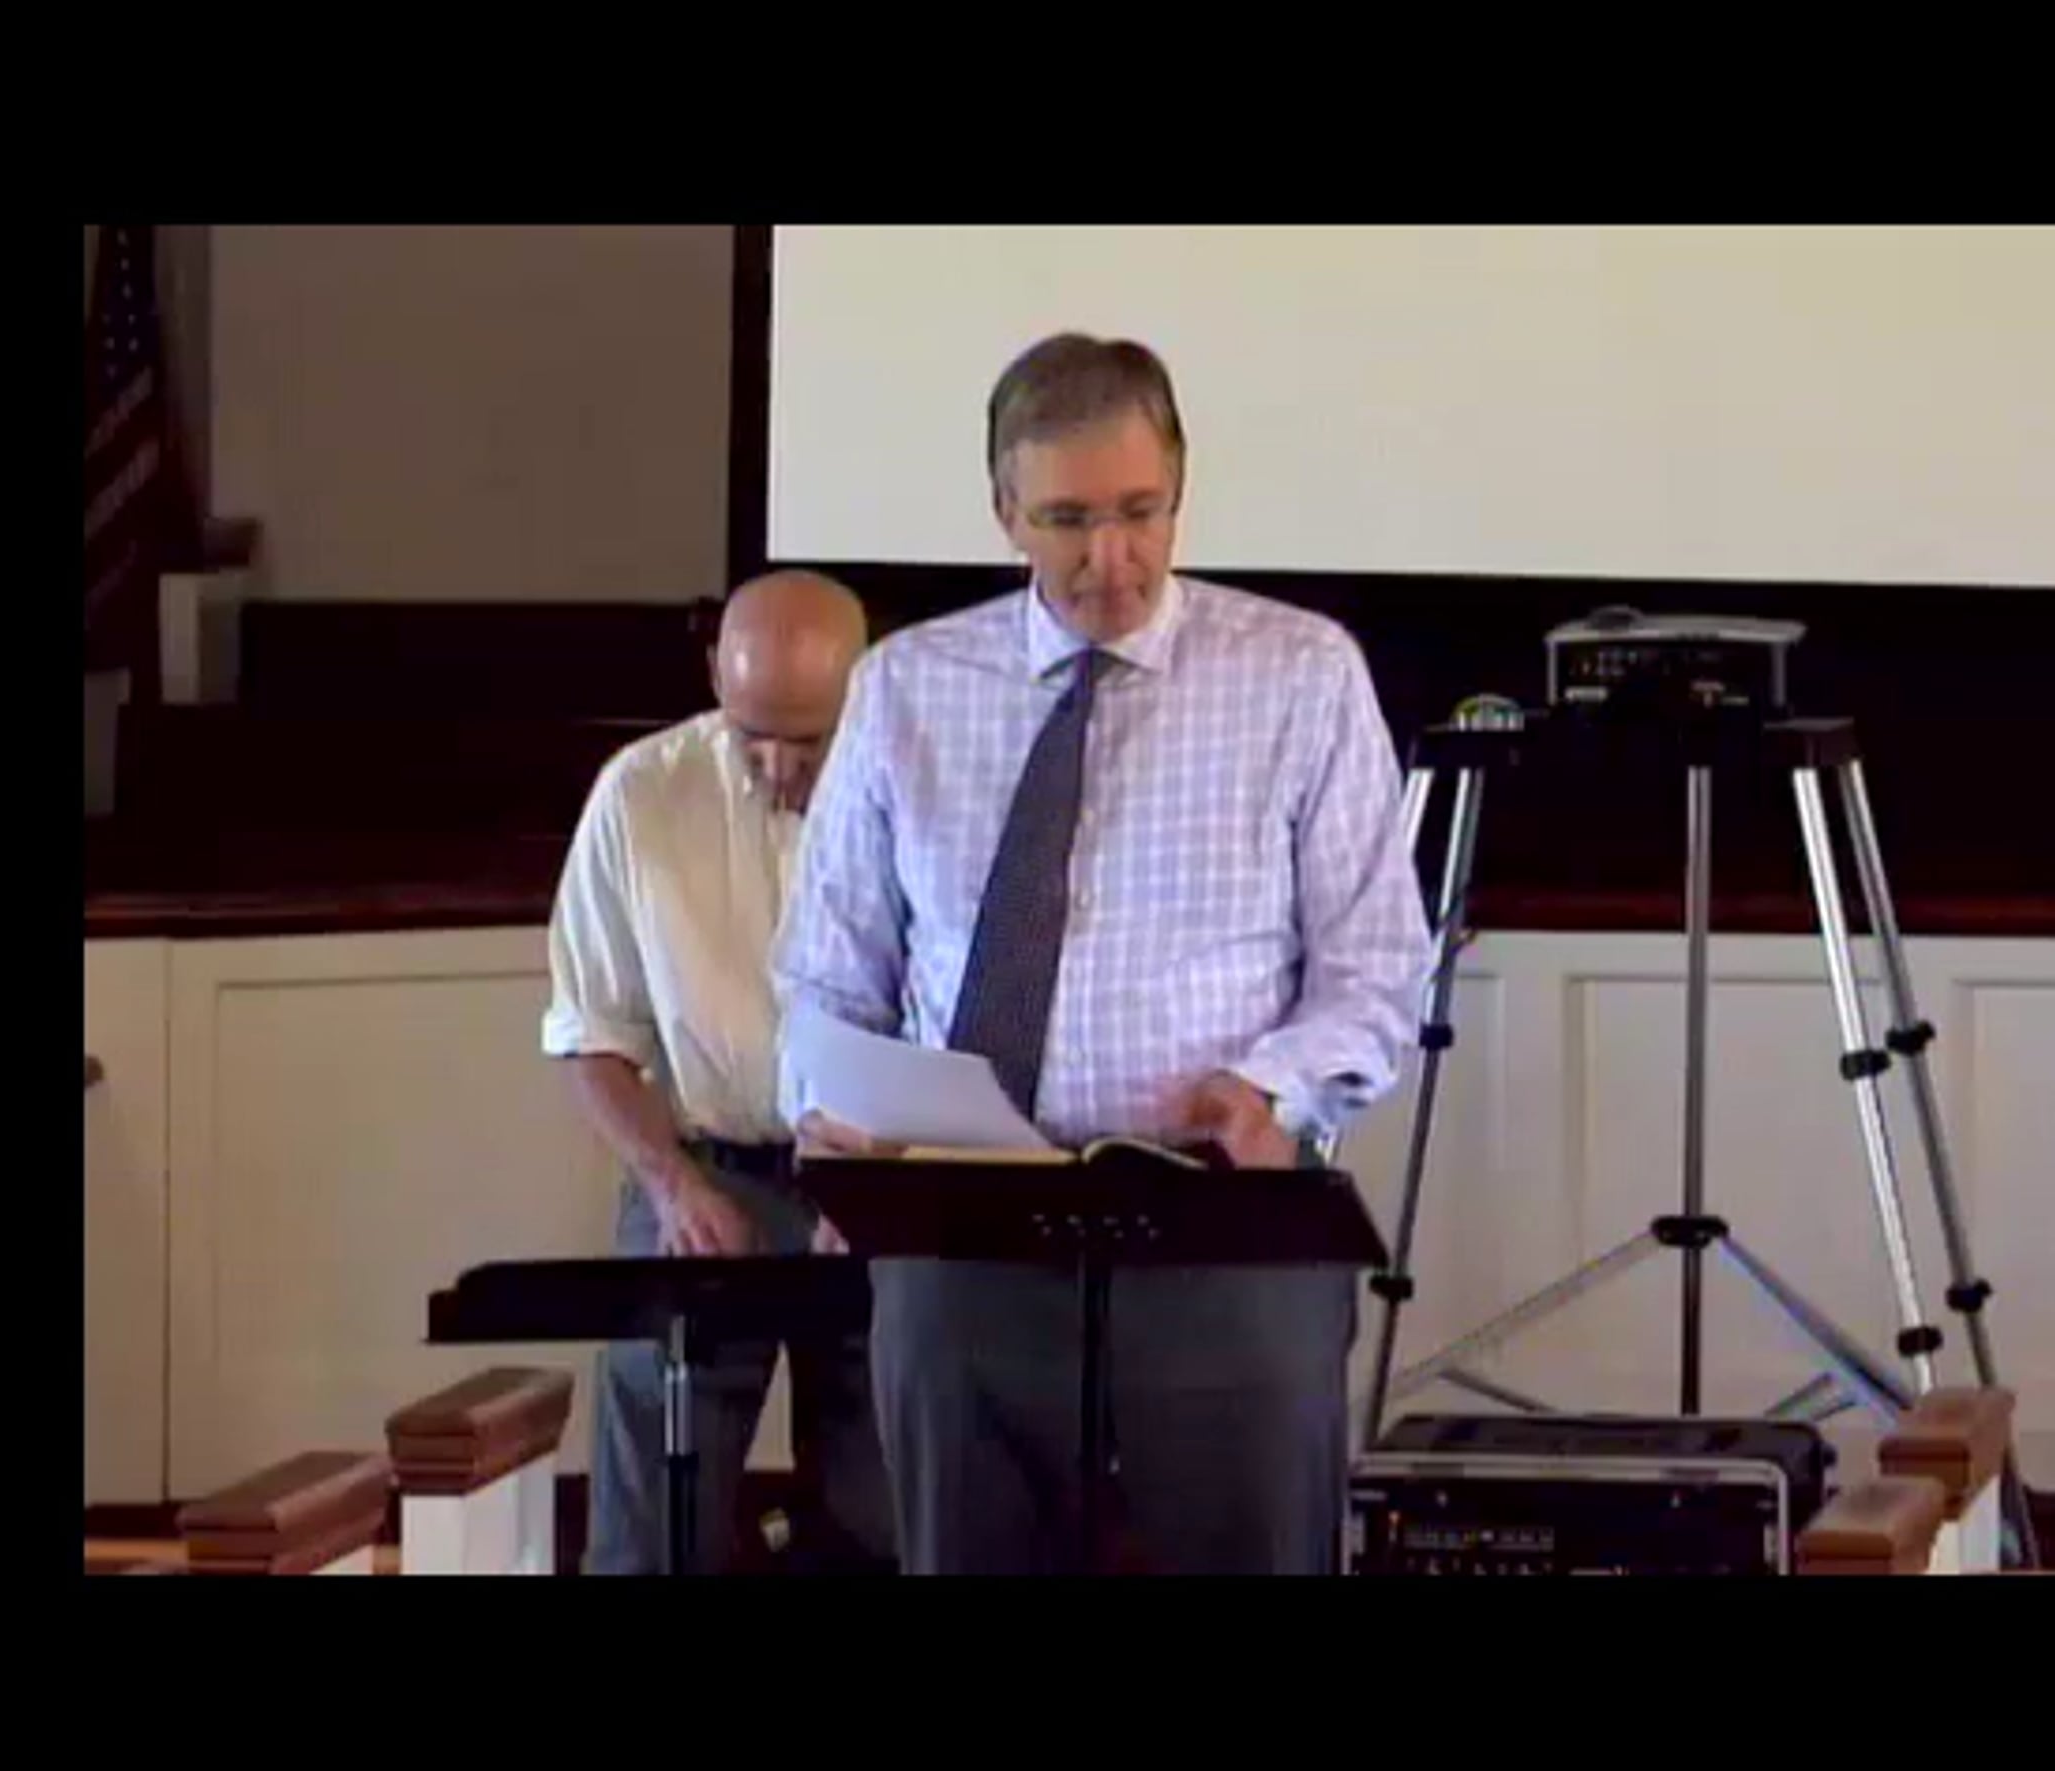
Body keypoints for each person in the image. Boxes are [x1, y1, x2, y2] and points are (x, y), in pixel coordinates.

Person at [776, 334, 1431, 1574]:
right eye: (1068, 521)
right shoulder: (906, 687)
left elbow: (1377, 968)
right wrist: (826, 1110)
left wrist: (1271, 1090)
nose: (1111, 559)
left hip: (1218, 1218)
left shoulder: (1300, 674)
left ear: (1180, 491)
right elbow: (827, 972)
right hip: (961, 1220)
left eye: (1141, 512)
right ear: (1004, 512)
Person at [543, 570, 892, 1574]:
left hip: (880, 1181)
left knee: (887, 1515)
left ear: (864, 689)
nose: (780, 768)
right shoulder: (641, 794)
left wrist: (886, 1176)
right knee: (651, 1516)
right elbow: (591, 1033)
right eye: (753, 737)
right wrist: (672, 1186)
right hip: (705, 1169)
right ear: (714, 678)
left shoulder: (922, 787)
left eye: (811, 742)